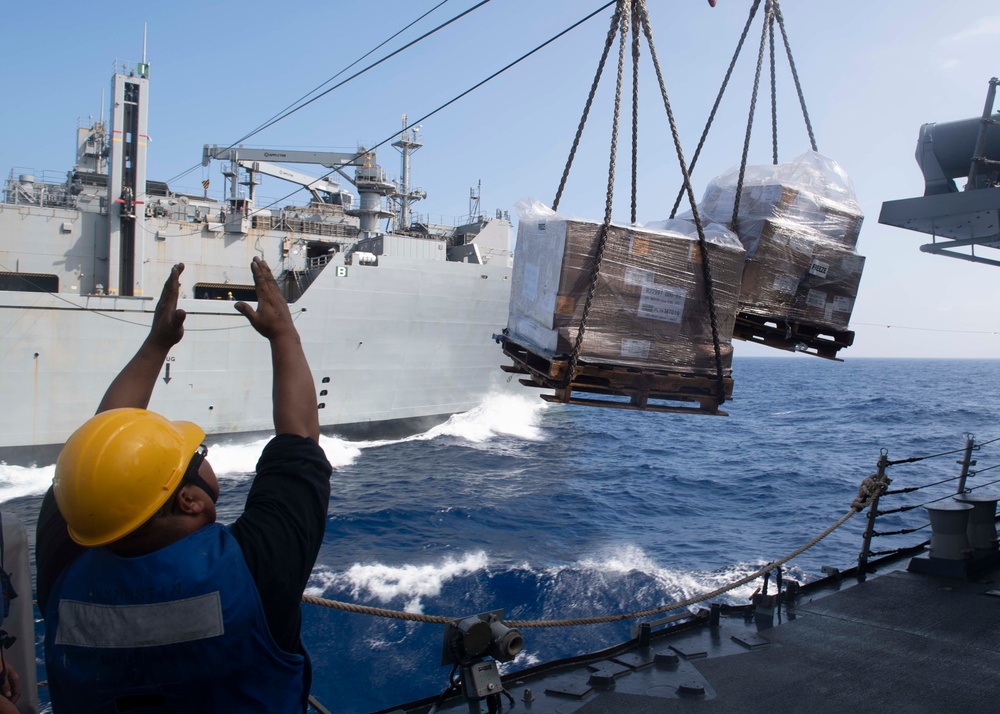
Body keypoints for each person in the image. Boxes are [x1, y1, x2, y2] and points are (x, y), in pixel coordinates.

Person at [36, 258, 332, 713]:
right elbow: (301, 437)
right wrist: (284, 334)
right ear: (190, 500)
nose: (202, 456)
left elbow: (99, 449)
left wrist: (157, 344)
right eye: (197, 457)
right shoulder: (254, 568)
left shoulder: (65, 561)